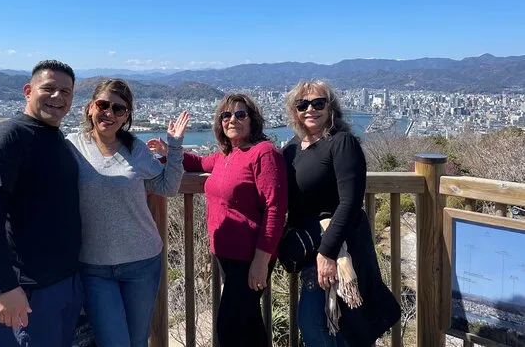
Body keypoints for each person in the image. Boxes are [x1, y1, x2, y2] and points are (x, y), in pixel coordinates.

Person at [148, 93, 288, 347]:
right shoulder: (227, 154)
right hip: (226, 255)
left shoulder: (264, 153)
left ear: (253, 119)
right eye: (226, 115)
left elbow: (275, 209)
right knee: (248, 325)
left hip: (250, 257)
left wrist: (261, 261)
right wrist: (170, 150)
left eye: (240, 114)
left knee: (228, 328)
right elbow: (200, 162)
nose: (232, 119)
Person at [65, 78, 189, 347]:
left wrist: (175, 146)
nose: (109, 113)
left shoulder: (136, 149)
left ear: (126, 116)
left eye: (118, 109)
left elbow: (167, 187)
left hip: (142, 261)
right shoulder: (72, 146)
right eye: (103, 105)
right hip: (94, 265)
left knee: (137, 340)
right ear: (90, 107)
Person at [0, 60, 84, 346]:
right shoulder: (7, 137)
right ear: (28, 91)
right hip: (28, 289)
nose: (57, 97)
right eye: (48, 88)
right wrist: (3, 286)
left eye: (65, 92)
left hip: (67, 282)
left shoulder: (56, 138)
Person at [281, 80, 400, 347]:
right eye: (302, 104)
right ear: (294, 110)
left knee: (315, 320)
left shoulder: (341, 142)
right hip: (308, 246)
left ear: (330, 107)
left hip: (337, 248)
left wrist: (328, 252)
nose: (310, 109)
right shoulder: (292, 148)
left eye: (318, 103)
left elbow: (350, 201)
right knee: (329, 321)